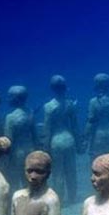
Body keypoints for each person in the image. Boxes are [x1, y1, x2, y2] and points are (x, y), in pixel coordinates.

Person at [43, 75, 82, 204]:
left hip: (56, 142)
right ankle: (72, 198)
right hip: (69, 140)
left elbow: (47, 130)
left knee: (58, 172)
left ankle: (59, 199)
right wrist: (79, 143)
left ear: (52, 88)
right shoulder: (70, 104)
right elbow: (75, 127)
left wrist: (45, 148)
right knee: (71, 171)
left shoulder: (48, 107)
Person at [4, 86, 38, 191]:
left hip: (16, 153)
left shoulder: (10, 117)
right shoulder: (30, 112)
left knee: (14, 180)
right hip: (30, 150)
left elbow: (8, 140)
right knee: (28, 179)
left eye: (10, 96)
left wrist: (5, 159)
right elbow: (34, 134)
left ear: (17, 99)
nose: (7, 99)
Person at [84, 73, 109, 160]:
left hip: (98, 137)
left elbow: (90, 122)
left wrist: (85, 140)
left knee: (98, 164)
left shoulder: (93, 102)